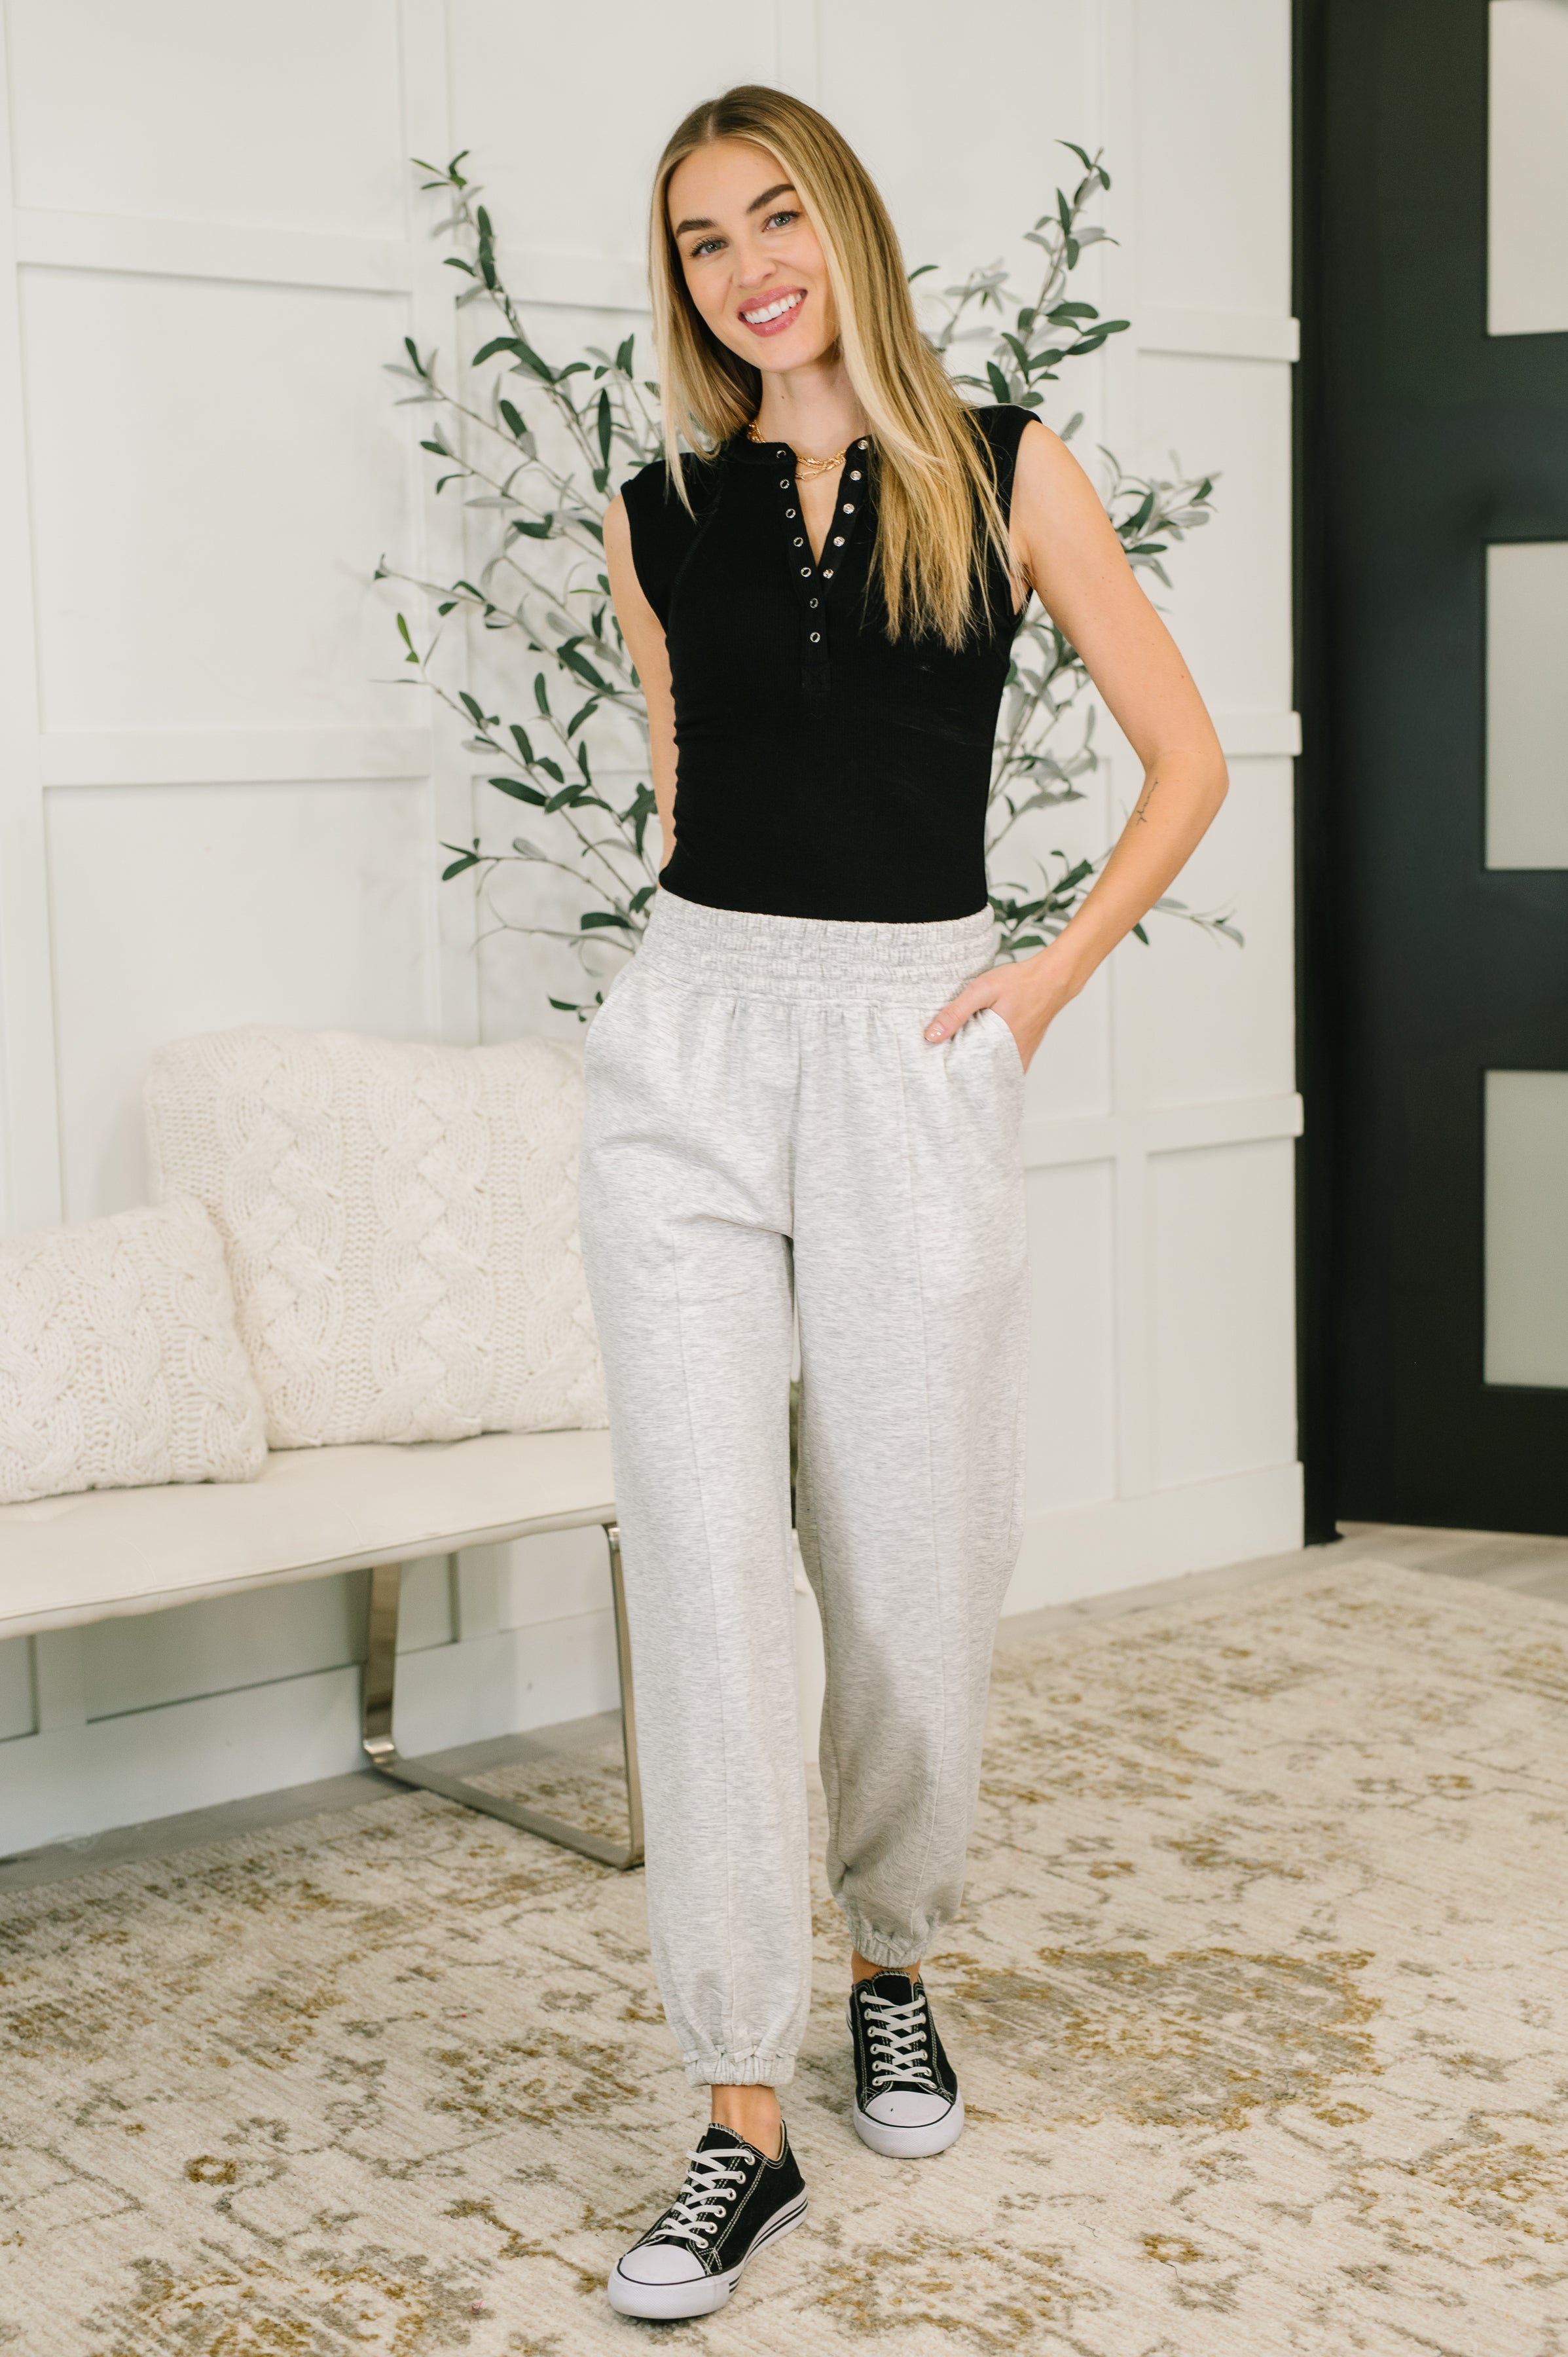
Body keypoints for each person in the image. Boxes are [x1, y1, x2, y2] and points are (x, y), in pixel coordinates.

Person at [580, 84, 1228, 2322]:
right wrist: (685, 1005)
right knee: (701, 1559)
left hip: (911, 1043)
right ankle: (734, 2110)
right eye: (696, 244)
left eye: (773, 216)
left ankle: (891, 1953)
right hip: (686, 1043)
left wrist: (1028, 994)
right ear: (677, 289)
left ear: (840, 223)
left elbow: (1189, 760)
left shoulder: (1002, 463)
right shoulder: (649, 508)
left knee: (911, 1561)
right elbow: (684, 782)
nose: (744, 265)